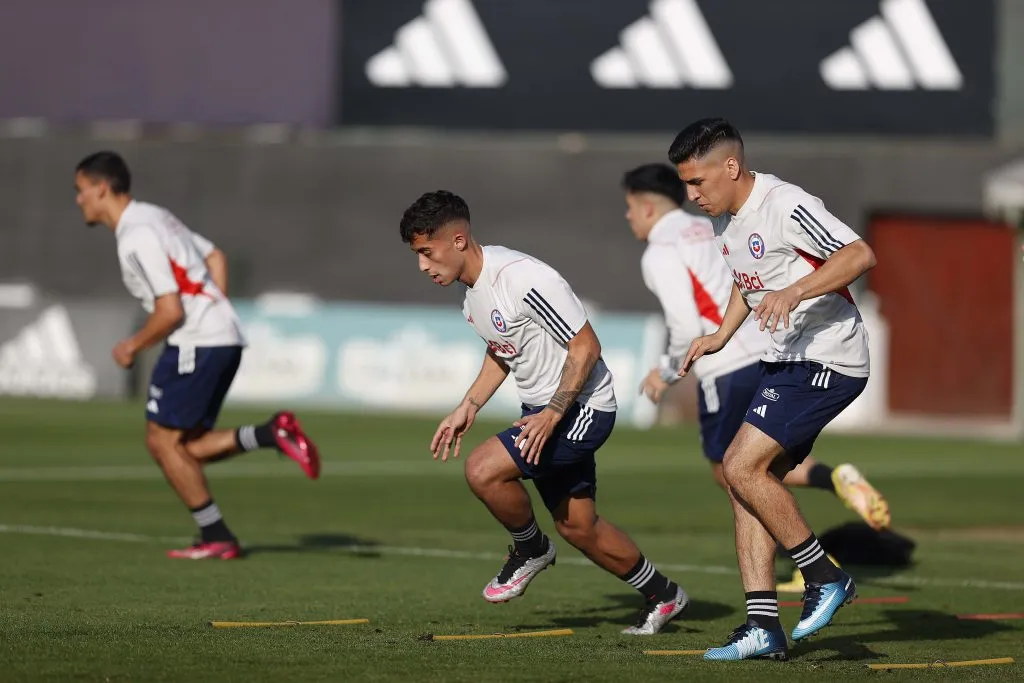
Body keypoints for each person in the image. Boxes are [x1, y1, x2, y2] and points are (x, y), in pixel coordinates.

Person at [399, 190, 686, 635]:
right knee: (579, 527)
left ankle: (530, 548)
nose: (422, 265)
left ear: (457, 240)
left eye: (426, 252)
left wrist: (553, 414)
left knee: (483, 470)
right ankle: (664, 594)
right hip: (543, 411)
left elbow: (586, 346)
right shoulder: (471, 295)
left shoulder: (523, 278)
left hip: (582, 408)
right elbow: (501, 352)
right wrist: (468, 405)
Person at [667, 119, 877, 660]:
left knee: (738, 466)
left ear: (731, 167)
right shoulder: (726, 222)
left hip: (830, 356)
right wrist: (720, 335)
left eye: (698, 183)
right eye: (685, 185)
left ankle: (825, 577)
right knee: (747, 482)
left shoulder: (784, 203)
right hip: (785, 359)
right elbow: (748, 280)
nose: (691, 196)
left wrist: (796, 289)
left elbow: (858, 255)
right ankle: (763, 627)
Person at [74, 151, 321, 560]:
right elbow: (215, 257)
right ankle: (269, 434)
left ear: (101, 189)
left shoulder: (135, 235)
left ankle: (217, 535)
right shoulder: (156, 216)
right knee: (184, 446)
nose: (79, 199)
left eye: (81, 191)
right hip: (221, 337)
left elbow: (169, 310)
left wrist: (131, 345)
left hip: (197, 341)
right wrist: (216, 313)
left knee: (161, 442)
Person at [622, 162, 889, 531]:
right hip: (768, 349)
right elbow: (751, 274)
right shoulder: (713, 224)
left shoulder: (660, 251)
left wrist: (667, 372)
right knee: (756, 467)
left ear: (647, 207)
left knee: (733, 473)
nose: (628, 215)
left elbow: (685, 324)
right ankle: (820, 507)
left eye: (630, 207)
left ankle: (811, 558)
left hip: (725, 363)